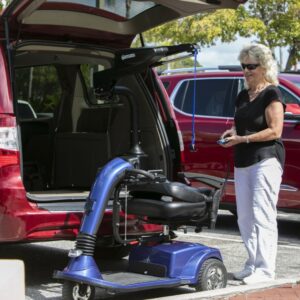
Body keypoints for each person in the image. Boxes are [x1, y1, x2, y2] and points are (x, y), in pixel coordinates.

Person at [219, 43, 285, 284]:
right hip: (243, 160)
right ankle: (252, 264)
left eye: (251, 66)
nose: (246, 70)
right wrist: (233, 133)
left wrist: (243, 138)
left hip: (265, 159)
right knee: (245, 217)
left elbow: (275, 131)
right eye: (243, 66)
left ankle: (266, 270)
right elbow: (244, 125)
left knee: (262, 214)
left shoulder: (272, 93)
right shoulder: (242, 95)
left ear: (264, 66)